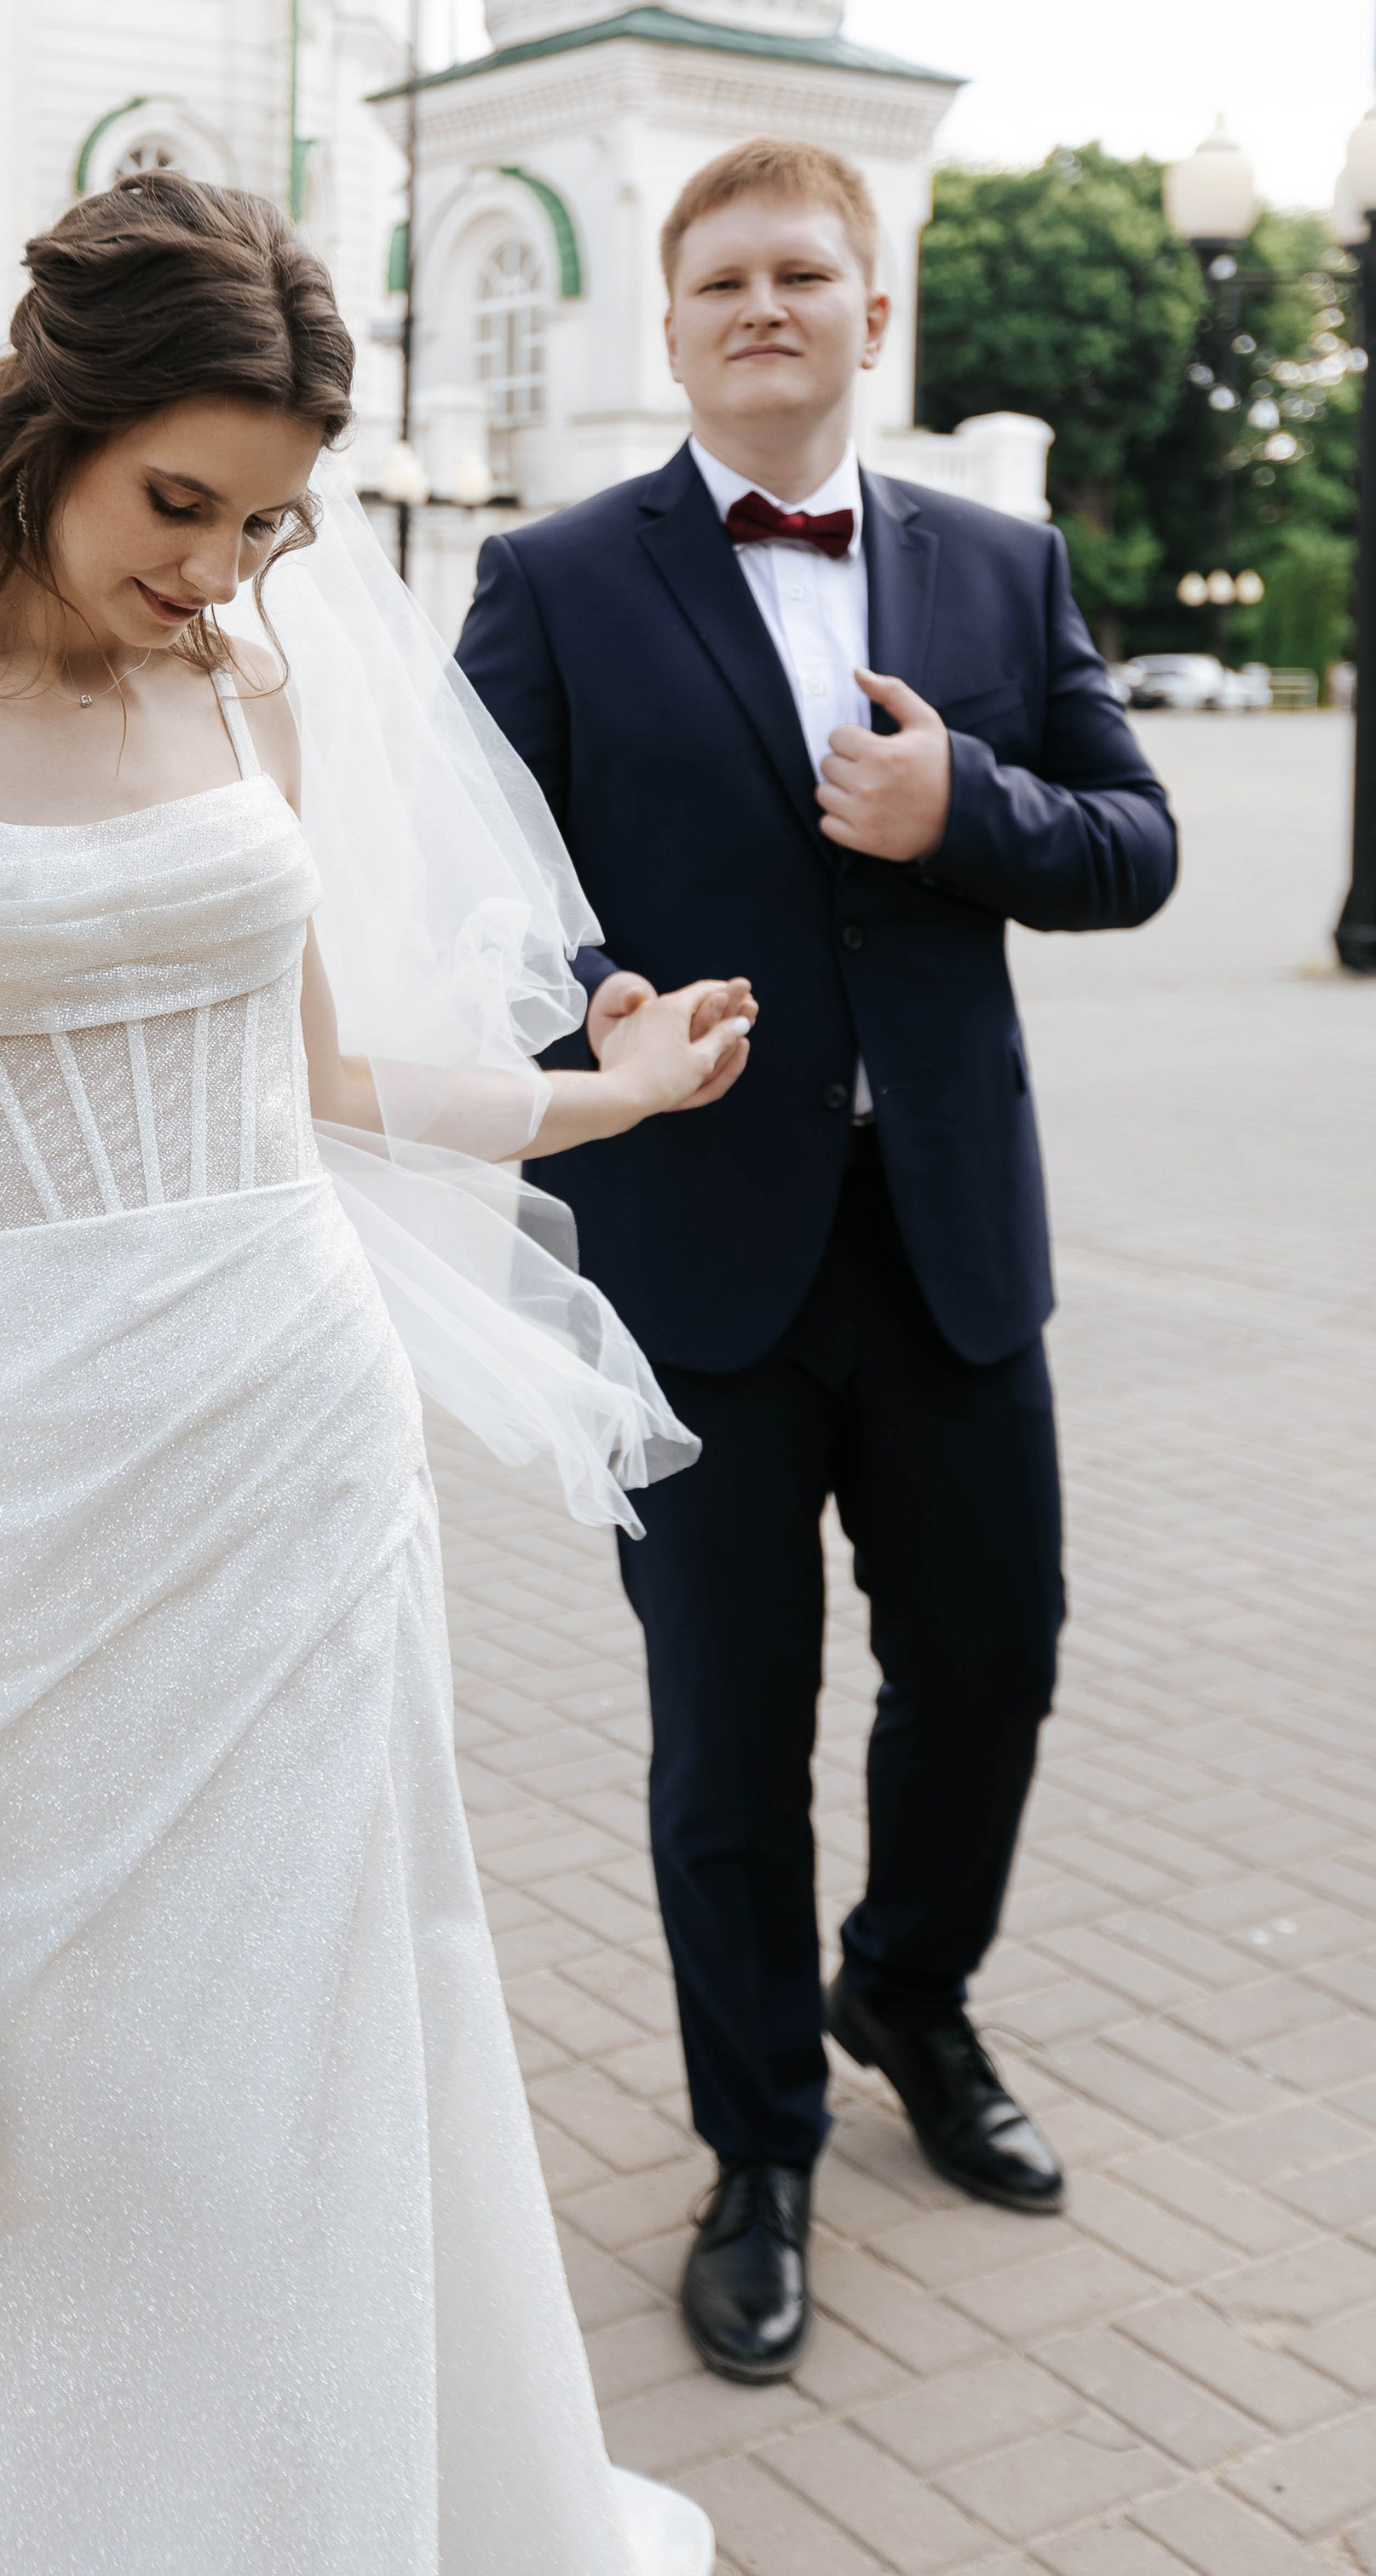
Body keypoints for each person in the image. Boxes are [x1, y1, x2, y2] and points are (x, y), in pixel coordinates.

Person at [0, 176, 751, 2575]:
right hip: (7, 1479)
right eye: (182, 502)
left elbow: (330, 1091)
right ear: (40, 421)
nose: (219, 568)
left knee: (325, 2039)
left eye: (266, 523)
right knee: (52, 2078)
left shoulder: (245, 694)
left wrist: (620, 1091)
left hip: (289, 1441)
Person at [456, 135, 1178, 2387]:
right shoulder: (557, 579)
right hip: (699, 1266)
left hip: (954, 1247)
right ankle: (759, 2141)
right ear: (669, 330)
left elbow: (1137, 845)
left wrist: (965, 811)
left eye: (808, 273)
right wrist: (592, 1008)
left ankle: (911, 1993)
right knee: (726, 1740)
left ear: (875, 315)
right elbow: (474, 887)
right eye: (724, 280)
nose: (766, 305)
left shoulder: (999, 560)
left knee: (993, 1664)